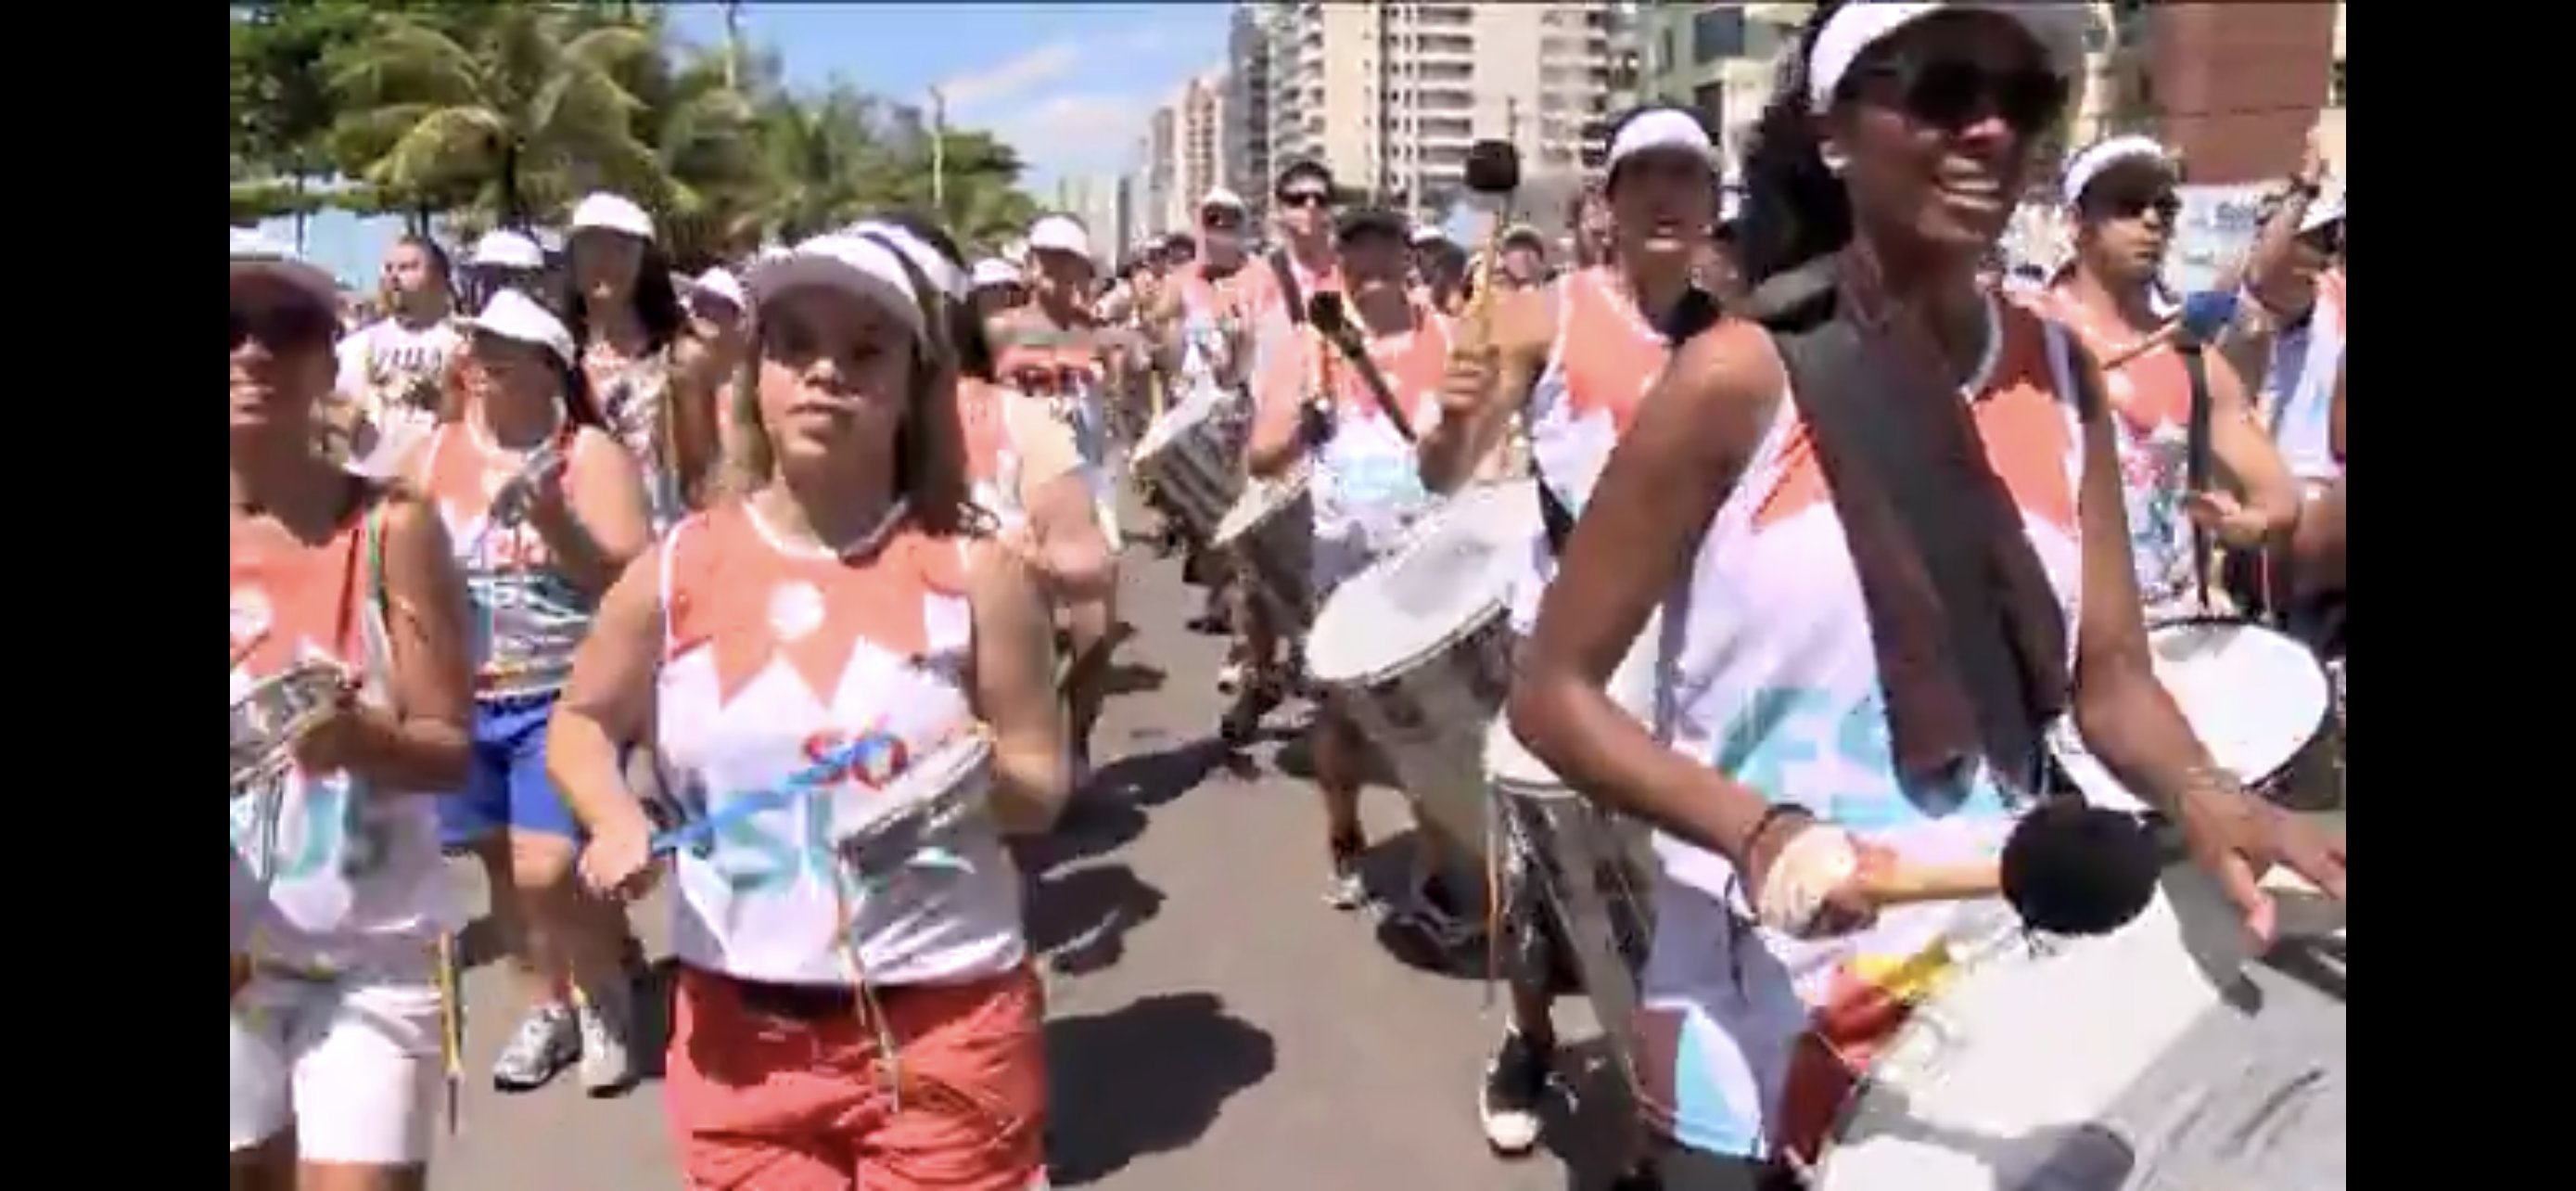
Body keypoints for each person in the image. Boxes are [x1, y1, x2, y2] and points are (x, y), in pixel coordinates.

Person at [1505, 6, 2347, 1187]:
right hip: (1757, 1012)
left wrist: (2207, 791)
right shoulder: (1736, 378)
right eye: (1945, 90)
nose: (1992, 129)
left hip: (1987, 987)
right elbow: (1551, 696)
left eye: (2027, 97)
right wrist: (1760, 833)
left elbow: (2109, 680)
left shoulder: (2063, 374)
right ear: (1837, 132)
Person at [549, 228, 1067, 1191]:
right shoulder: (674, 570)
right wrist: (615, 818)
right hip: (739, 1052)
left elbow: (1041, 789)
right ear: (756, 380)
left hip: (943, 1031)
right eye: (795, 345)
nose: (827, 371)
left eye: (865, 349)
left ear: (915, 385)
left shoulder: (976, 575)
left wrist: (965, 783)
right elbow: (581, 721)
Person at [1422, 102, 1722, 1159]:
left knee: (1677, 885)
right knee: (1551, 873)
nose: (1666, 197)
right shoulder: (1543, 314)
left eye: (1686, 176)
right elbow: (1443, 472)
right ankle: (1532, 1040)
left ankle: (1677, 1078)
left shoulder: (1738, 330)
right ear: (1608, 201)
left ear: (1714, 199)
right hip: (1568, 647)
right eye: (1645, 177)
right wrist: (1454, 417)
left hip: (1698, 650)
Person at [230, 230, 475, 1188]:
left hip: (371, 962)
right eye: (229, 326)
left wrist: (359, 741)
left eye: (286, 328)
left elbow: (450, 748)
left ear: (330, 358)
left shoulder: (392, 528)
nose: (253, 352)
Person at [400, 288, 654, 1095]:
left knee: (546, 869)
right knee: (505, 877)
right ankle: (552, 1004)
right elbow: (391, 568)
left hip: (561, 698)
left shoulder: (588, 458)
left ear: (550, 367)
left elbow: (630, 583)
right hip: (459, 701)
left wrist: (554, 525)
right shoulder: (432, 453)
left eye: (506, 344)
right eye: (479, 341)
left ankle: (603, 998)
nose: (483, 356)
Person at [1245, 205, 1461, 919]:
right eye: (1355, 258)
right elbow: (1260, 454)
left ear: (1409, 258)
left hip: (1433, 563)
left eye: (1384, 254)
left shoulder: (1452, 336)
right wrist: (1301, 430)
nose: (1370, 271)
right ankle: (1344, 834)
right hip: (1343, 571)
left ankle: (1433, 871)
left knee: (1435, 727)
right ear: (1339, 265)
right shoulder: (1313, 347)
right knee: (1341, 721)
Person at [2043, 135, 2302, 618]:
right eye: (2127, 204)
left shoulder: (2189, 360)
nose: (2151, 219)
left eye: (2163, 206)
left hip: (2168, 632)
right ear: (2077, 223)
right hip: (2059, 636)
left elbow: (2279, 496)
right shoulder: (2031, 338)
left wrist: (2249, 524)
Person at [990, 214, 1122, 786]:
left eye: (1068, 261)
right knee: (1023, 634)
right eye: (1046, 259)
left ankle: (1078, 742)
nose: (1055, 271)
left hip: (1089, 488)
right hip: (1015, 490)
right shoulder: (998, 330)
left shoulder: (1098, 331)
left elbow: (1148, 361)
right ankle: (1026, 753)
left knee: (1095, 634)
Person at [566, 191, 721, 531]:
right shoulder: (557, 357)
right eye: (590, 246)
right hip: (571, 547)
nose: (603, 260)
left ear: (645, 262)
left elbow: (704, 479)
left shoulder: (680, 358)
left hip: (656, 541)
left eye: (620, 248)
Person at [336, 234, 462, 477]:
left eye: (408, 268)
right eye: (389, 268)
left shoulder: (461, 346)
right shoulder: (355, 347)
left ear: (439, 278)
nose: (393, 276)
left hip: (435, 484)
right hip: (367, 484)